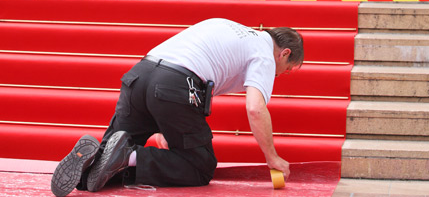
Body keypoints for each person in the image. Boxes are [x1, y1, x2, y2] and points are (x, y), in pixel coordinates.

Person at [51, 17, 304, 195]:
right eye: (288, 70)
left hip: (140, 75)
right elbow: (255, 109)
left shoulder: (227, 27)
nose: (282, 74)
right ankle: (127, 156)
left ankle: (94, 161)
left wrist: (164, 125)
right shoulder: (265, 54)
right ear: (285, 54)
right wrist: (272, 158)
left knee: (106, 162)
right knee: (199, 166)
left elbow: (184, 69)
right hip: (175, 85)